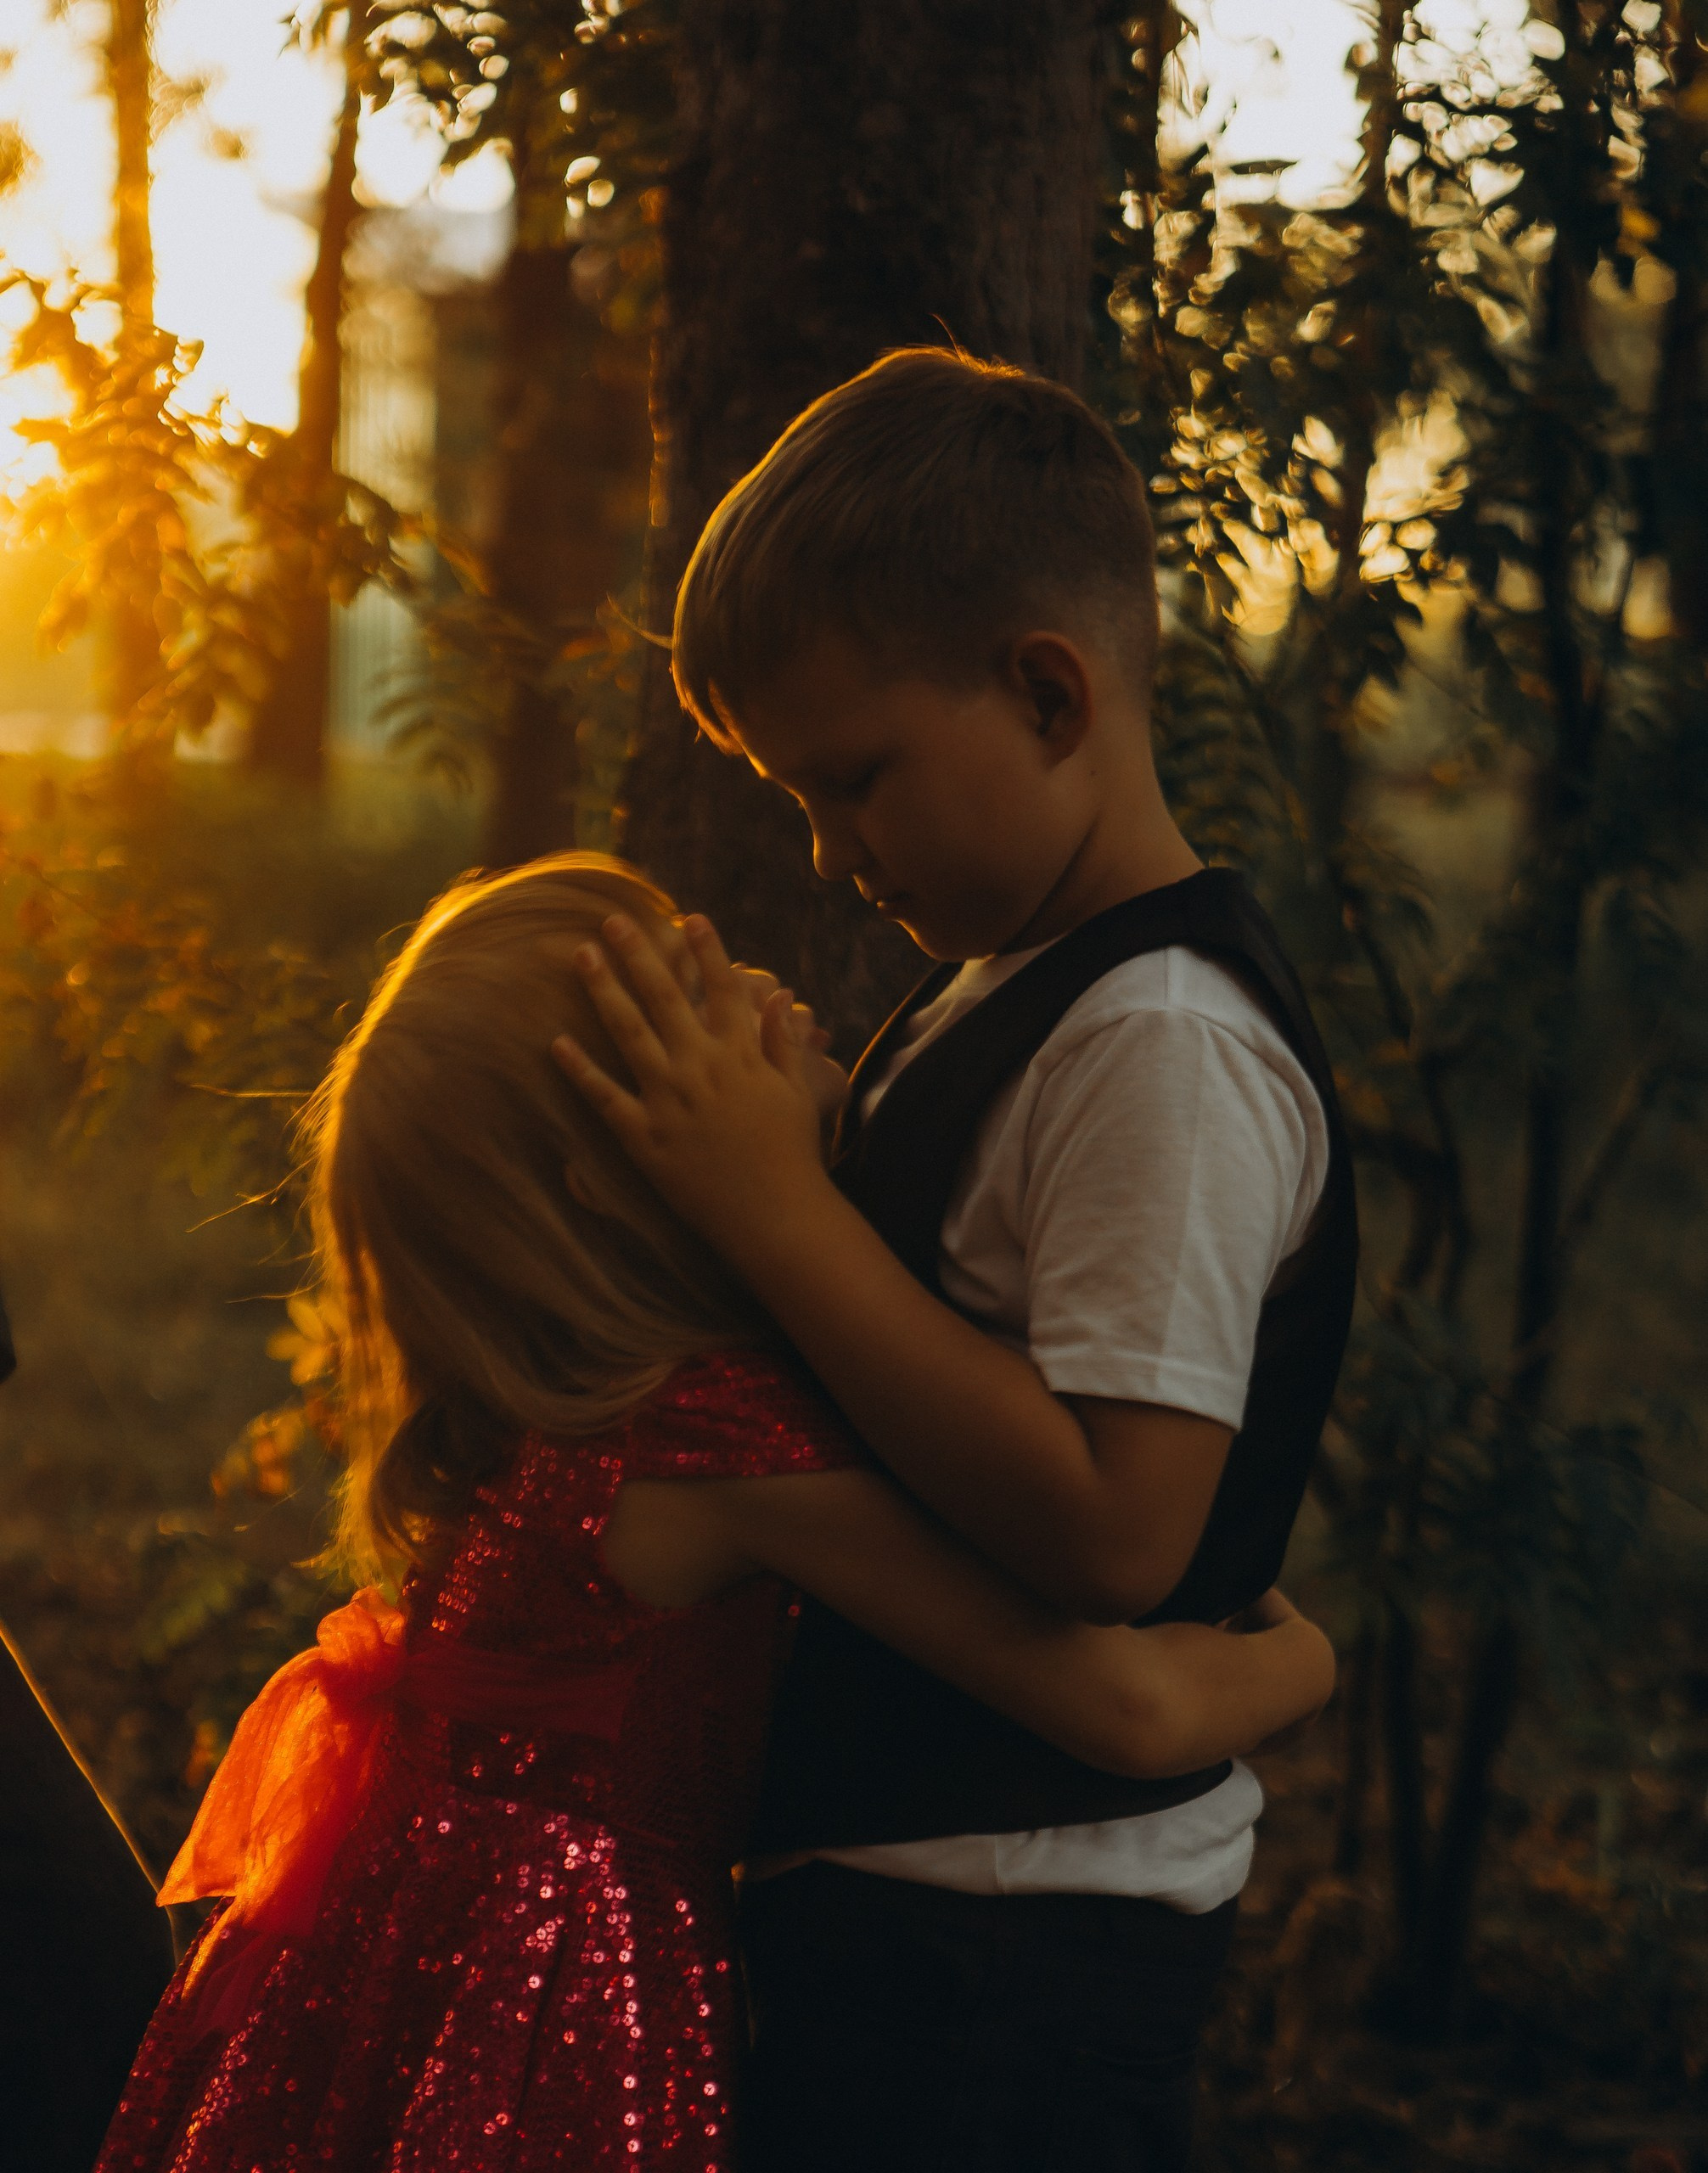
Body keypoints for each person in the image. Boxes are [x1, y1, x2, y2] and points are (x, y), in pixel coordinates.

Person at [95, 855, 1333, 2173]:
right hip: (549, 2019)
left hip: (407, 1964)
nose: (764, 979)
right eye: (695, 1000)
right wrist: (1304, 1656)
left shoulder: (559, 1406)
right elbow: (1126, 1709)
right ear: (626, 1159)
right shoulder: (711, 1442)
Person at [553, 348, 1360, 2173]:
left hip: (1022, 1939)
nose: (831, 853)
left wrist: (781, 1210)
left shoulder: (1164, 1039)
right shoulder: (1003, 983)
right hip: (919, 1911)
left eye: (854, 781)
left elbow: (1114, 1525)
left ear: (1047, 688)